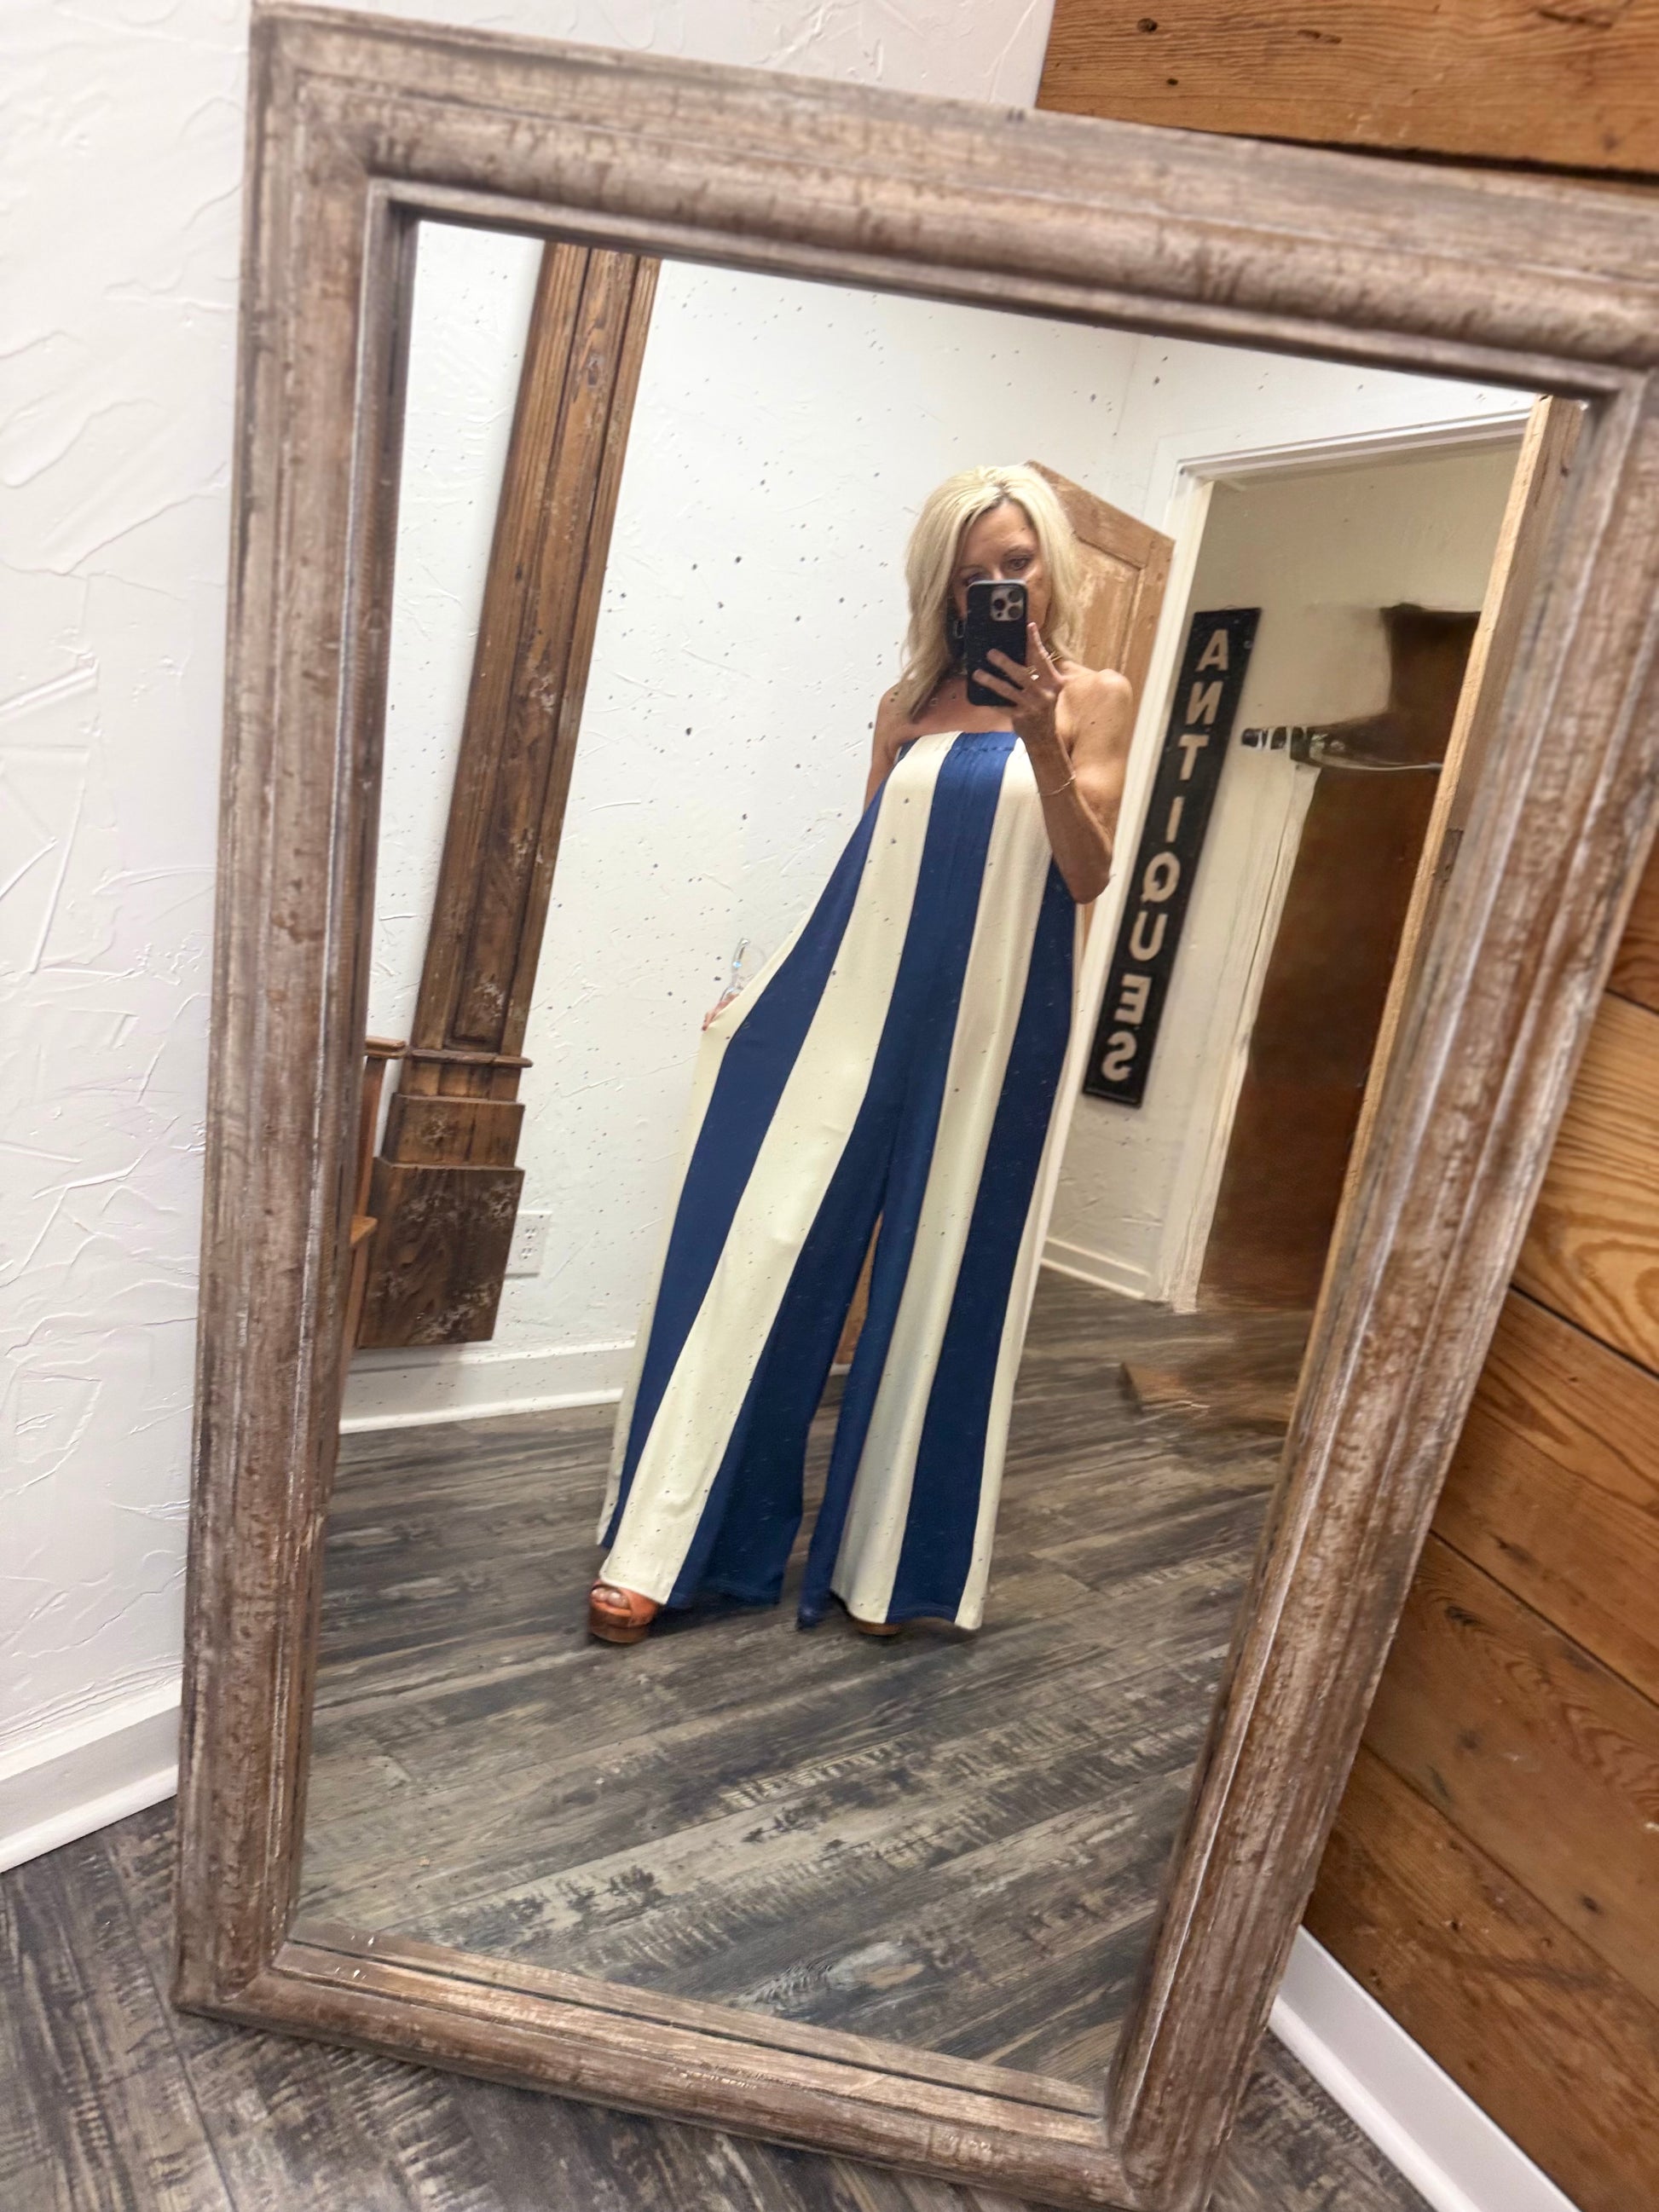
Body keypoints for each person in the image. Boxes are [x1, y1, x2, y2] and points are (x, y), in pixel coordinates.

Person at [587, 465, 1135, 1645]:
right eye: (974, 571)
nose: (999, 587)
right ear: (940, 584)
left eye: (1017, 562)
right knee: (764, 1247)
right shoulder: (903, 707)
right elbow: (864, 873)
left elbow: (1087, 876)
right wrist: (764, 990)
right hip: (863, 1005)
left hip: (998, 1025)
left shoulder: (1095, 697)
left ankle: (894, 1566)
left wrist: (1040, 740)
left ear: (1052, 565)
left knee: (950, 1279)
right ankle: (673, 1544)